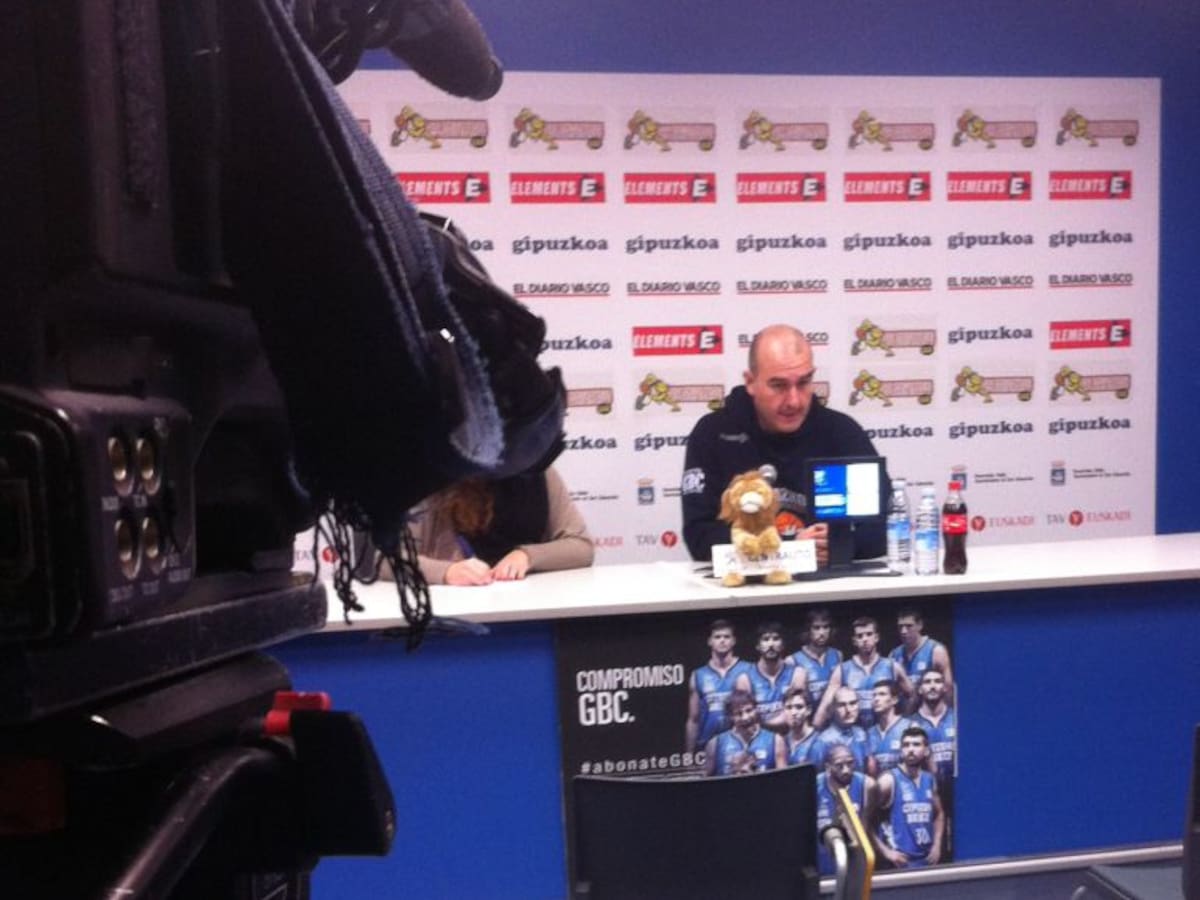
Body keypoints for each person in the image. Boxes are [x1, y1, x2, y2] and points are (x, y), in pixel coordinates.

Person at [680, 323, 886, 565]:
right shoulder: (713, 434)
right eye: (778, 386)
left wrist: (842, 544)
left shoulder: (841, 433)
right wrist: (788, 548)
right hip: (749, 585)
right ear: (750, 382)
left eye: (803, 382)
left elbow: (886, 525)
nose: (794, 401)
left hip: (828, 585)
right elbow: (700, 536)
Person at [401, 466, 593, 586]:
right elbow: (389, 558)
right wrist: (445, 572)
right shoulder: (434, 475)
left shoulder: (540, 470)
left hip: (527, 609)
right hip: (451, 612)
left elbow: (580, 546)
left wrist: (527, 556)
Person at [815, 617, 912, 729]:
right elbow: (825, 706)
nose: (865, 639)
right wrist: (815, 731)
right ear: (854, 641)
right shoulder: (842, 670)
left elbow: (912, 695)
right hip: (855, 734)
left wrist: (902, 723)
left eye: (869, 634)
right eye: (860, 636)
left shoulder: (892, 667)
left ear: (876, 637)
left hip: (883, 732)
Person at [872, 726, 945, 869]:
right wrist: (886, 852)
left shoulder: (929, 779)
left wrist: (937, 845)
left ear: (926, 750)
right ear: (901, 750)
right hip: (899, 863)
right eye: (906, 745)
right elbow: (864, 820)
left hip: (926, 861)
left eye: (916, 744)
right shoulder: (888, 780)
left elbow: (939, 814)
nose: (910, 749)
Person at [686, 620, 756, 752]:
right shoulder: (698, 675)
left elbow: (757, 712)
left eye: (726, 637)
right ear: (710, 641)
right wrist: (689, 754)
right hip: (707, 745)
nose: (722, 640)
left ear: (733, 641)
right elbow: (693, 719)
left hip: (741, 745)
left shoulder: (749, 669)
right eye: (717, 637)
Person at [816, 744, 876, 876]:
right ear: (828, 767)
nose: (846, 770)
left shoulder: (867, 785)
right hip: (821, 859)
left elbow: (866, 829)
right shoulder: (814, 786)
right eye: (839, 765)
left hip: (853, 861)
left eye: (850, 763)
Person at [704, 689, 787, 776]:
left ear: (756, 709)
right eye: (738, 713)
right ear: (731, 717)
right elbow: (707, 780)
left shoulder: (776, 741)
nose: (745, 717)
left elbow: (783, 778)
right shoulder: (715, 744)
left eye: (749, 710)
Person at [744, 621, 808, 730]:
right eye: (765, 639)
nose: (771, 644)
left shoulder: (797, 673)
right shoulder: (745, 678)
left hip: (791, 735)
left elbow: (796, 712)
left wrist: (761, 725)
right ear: (757, 646)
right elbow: (745, 716)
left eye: (776, 638)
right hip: (758, 738)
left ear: (783, 645)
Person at [889, 608, 954, 708]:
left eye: (909, 626)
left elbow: (948, 687)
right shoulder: (894, 655)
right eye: (900, 627)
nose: (903, 631)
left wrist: (944, 714)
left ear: (920, 625)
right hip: (904, 713)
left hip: (929, 711)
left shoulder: (936, 651)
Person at [789, 608, 844, 709]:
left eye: (826, 627)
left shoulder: (837, 655)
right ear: (808, 630)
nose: (822, 633)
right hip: (807, 715)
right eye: (816, 628)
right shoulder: (793, 660)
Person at [913, 669, 956, 785]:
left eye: (937, 681)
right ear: (920, 689)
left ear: (945, 688)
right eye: (927, 682)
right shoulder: (910, 724)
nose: (932, 686)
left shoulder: (957, 719)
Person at [865, 680, 915, 778]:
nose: (876, 699)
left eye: (882, 694)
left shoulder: (909, 727)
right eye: (874, 695)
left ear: (894, 700)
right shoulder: (869, 733)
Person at [814, 686, 870, 771]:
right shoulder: (824, 741)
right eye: (842, 705)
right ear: (833, 708)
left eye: (853, 703)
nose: (848, 710)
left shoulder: (861, 734)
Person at [781, 686, 822, 767]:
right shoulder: (781, 742)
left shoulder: (819, 741)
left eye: (799, 707)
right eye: (789, 708)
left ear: (808, 710)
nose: (793, 712)